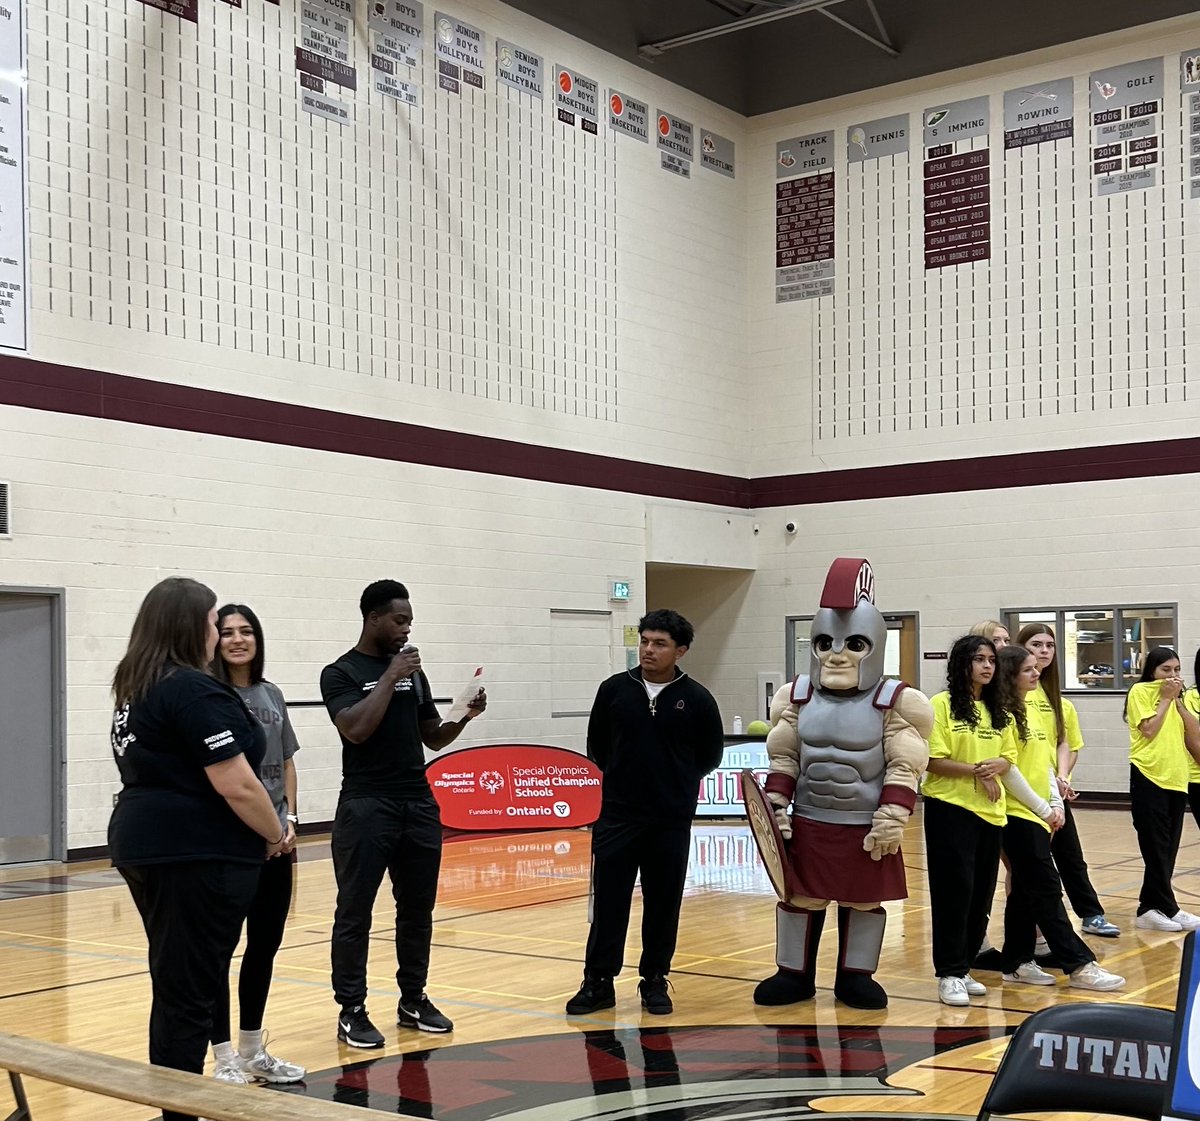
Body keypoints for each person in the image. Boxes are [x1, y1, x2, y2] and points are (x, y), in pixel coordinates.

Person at [108, 578, 288, 1121]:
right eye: (214, 621)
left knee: (176, 984)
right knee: (188, 993)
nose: (218, 631)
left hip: (149, 845)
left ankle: (175, 1105)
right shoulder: (190, 687)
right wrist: (275, 833)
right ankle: (179, 1112)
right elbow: (235, 782)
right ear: (191, 625)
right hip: (191, 853)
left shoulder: (138, 684)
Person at [753, 558, 933, 1010]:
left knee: (865, 902)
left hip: (867, 822)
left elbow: (904, 764)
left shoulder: (897, 702)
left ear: (873, 646)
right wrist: (775, 804)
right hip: (811, 818)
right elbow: (785, 756)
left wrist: (894, 816)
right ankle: (792, 974)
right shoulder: (796, 696)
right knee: (801, 899)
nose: (836, 654)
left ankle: (857, 976)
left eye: (853, 644)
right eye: (825, 642)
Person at [321, 579, 487, 1047]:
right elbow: (354, 729)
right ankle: (351, 1009)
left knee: (417, 909)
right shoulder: (340, 672)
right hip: (366, 803)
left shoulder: (414, 672)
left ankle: (413, 998)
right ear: (373, 618)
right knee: (355, 911)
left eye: (409, 620)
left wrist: (464, 717)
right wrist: (391, 676)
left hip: (416, 801)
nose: (407, 627)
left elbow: (431, 736)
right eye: (399, 619)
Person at [566, 609, 724, 1016]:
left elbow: (709, 756)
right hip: (617, 816)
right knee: (610, 903)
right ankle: (598, 982)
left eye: (660, 644)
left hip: (670, 820)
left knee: (663, 902)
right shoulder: (614, 690)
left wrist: (674, 786)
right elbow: (597, 746)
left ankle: (655, 979)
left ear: (681, 650)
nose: (649, 650)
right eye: (646, 641)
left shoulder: (699, 699)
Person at [207, 603, 305, 1084]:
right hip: (230, 843)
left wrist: (289, 821)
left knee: (264, 944)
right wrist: (261, 828)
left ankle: (251, 1050)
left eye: (247, 631)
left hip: (278, 843)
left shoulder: (273, 694)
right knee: (219, 951)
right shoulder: (208, 694)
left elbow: (286, 762)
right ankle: (223, 1057)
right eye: (228, 632)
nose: (238, 640)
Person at [993, 645, 1124, 991]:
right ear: (1010, 675)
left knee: (1023, 889)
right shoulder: (1002, 715)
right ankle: (1079, 964)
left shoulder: (1035, 711)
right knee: (1047, 888)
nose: (1037, 674)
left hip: (1040, 811)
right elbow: (1010, 772)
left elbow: (1047, 763)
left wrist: (1056, 804)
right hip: (1015, 814)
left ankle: (1017, 961)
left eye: (1036, 668)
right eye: (1028, 670)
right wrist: (1042, 808)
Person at [923, 635, 1016, 1006]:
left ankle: (963, 968)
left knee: (980, 894)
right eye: (979, 659)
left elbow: (1008, 757)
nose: (988, 666)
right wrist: (978, 771)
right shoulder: (940, 706)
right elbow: (932, 760)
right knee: (953, 893)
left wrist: (999, 766)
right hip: (950, 808)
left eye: (991, 660)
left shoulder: (1000, 710)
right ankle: (948, 972)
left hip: (991, 813)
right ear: (962, 664)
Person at [1015, 622, 1119, 938]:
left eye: (1049, 645)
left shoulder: (1060, 700)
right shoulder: (1015, 695)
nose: (1044, 651)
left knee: (1071, 855)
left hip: (1053, 789)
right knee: (1029, 866)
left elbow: (1065, 742)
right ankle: (1033, 931)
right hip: (1023, 790)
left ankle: (1091, 914)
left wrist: (1062, 777)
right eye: (1036, 644)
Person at [1126, 647, 1200, 931]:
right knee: (1155, 847)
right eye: (1165, 670)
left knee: (1169, 847)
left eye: (1177, 670)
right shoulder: (1141, 692)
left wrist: (1179, 703)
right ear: (1153, 671)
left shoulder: (1177, 698)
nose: (1172, 676)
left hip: (1177, 777)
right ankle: (1164, 906)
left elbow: (1192, 733)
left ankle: (1153, 907)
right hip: (1149, 775)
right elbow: (1148, 730)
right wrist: (1166, 699)